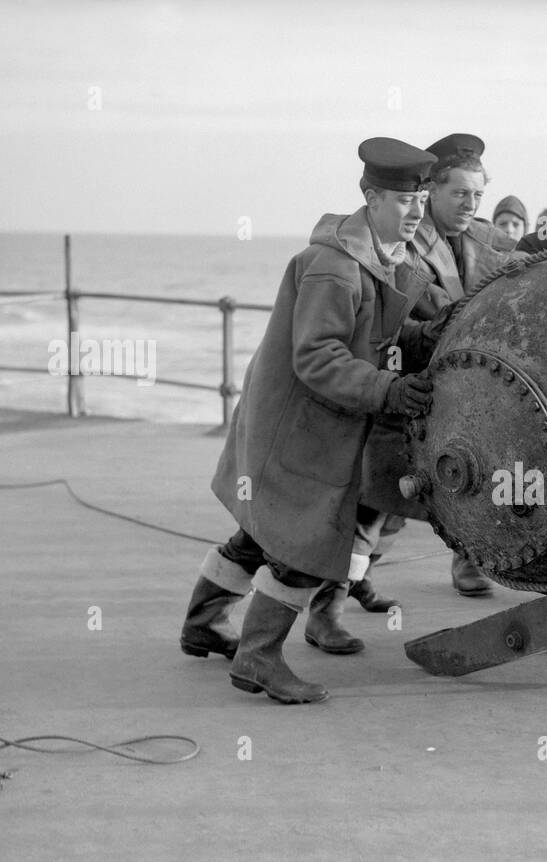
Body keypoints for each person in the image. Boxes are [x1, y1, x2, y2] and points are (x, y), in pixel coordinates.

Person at [178, 137, 437, 703]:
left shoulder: (376, 256)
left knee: (258, 531)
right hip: (301, 431)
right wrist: (389, 389)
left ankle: (202, 624)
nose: (414, 211)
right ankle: (257, 660)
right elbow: (319, 356)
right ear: (369, 197)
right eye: (401, 199)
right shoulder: (335, 269)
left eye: (420, 199)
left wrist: (423, 335)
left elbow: (370, 333)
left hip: (296, 423)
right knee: (303, 545)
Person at [353, 132, 519, 601]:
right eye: (459, 194)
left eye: (477, 194)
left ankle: (461, 562)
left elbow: (531, 256)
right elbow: (419, 314)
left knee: (433, 492)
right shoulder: (407, 242)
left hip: (455, 393)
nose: (469, 204)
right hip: (404, 391)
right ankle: (337, 599)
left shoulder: (479, 237)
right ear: (432, 192)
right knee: (380, 503)